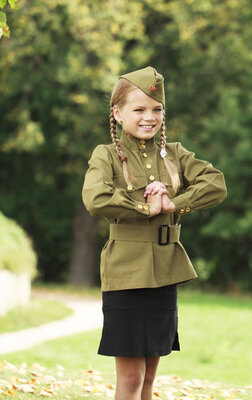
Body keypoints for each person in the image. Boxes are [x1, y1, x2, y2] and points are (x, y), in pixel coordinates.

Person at [82, 66, 227, 400]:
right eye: (139, 109)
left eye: (157, 109)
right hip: (126, 273)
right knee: (131, 377)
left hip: (165, 271)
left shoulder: (175, 152)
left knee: (148, 378)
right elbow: (96, 198)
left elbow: (216, 184)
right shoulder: (105, 155)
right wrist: (147, 206)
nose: (149, 117)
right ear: (117, 113)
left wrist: (174, 203)